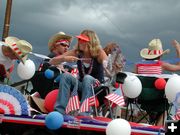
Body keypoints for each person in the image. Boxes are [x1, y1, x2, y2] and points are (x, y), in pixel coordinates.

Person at [50, 29, 107, 115]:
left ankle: (84, 112)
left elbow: (109, 66)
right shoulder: (77, 52)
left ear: (91, 42)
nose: (80, 42)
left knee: (87, 78)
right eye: (79, 39)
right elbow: (52, 61)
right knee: (65, 76)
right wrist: (64, 59)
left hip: (97, 87)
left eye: (83, 40)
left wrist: (107, 65)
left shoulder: (99, 52)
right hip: (82, 85)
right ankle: (60, 111)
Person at [30, 32, 73, 99]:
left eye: (68, 46)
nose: (66, 48)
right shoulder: (49, 59)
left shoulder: (64, 63)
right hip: (48, 96)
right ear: (55, 45)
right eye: (63, 45)